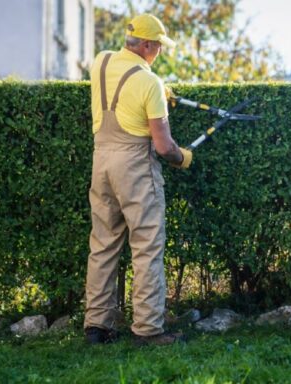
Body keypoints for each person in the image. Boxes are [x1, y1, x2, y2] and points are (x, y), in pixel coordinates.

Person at [83, 13, 192, 346]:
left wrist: (158, 91)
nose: (160, 50)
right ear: (146, 44)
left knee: (102, 244)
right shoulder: (150, 83)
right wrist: (183, 158)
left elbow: (124, 84)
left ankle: (96, 327)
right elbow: (164, 147)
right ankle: (147, 330)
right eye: (158, 45)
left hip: (101, 162)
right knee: (146, 246)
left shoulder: (101, 63)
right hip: (134, 167)